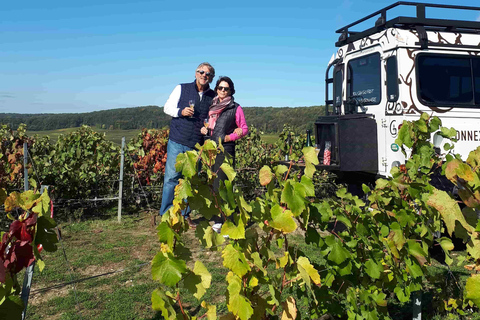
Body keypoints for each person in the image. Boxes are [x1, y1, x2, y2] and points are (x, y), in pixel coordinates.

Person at [159, 62, 216, 227]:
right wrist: (180, 111)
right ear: (196, 73)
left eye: (208, 74)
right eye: (201, 72)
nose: (204, 75)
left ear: (211, 78)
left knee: (190, 180)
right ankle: (167, 214)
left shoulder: (212, 96)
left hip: (196, 145)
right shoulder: (181, 88)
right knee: (171, 178)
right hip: (177, 140)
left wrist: (209, 129)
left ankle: (185, 214)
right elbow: (167, 107)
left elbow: (212, 118)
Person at [200, 76, 248, 233]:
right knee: (214, 184)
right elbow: (208, 124)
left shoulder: (235, 107)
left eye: (225, 88)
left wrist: (230, 137)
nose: (222, 90)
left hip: (226, 149)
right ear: (216, 89)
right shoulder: (212, 106)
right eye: (220, 88)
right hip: (211, 148)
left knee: (225, 185)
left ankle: (227, 220)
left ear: (231, 91)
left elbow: (244, 129)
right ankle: (220, 218)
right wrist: (204, 129)